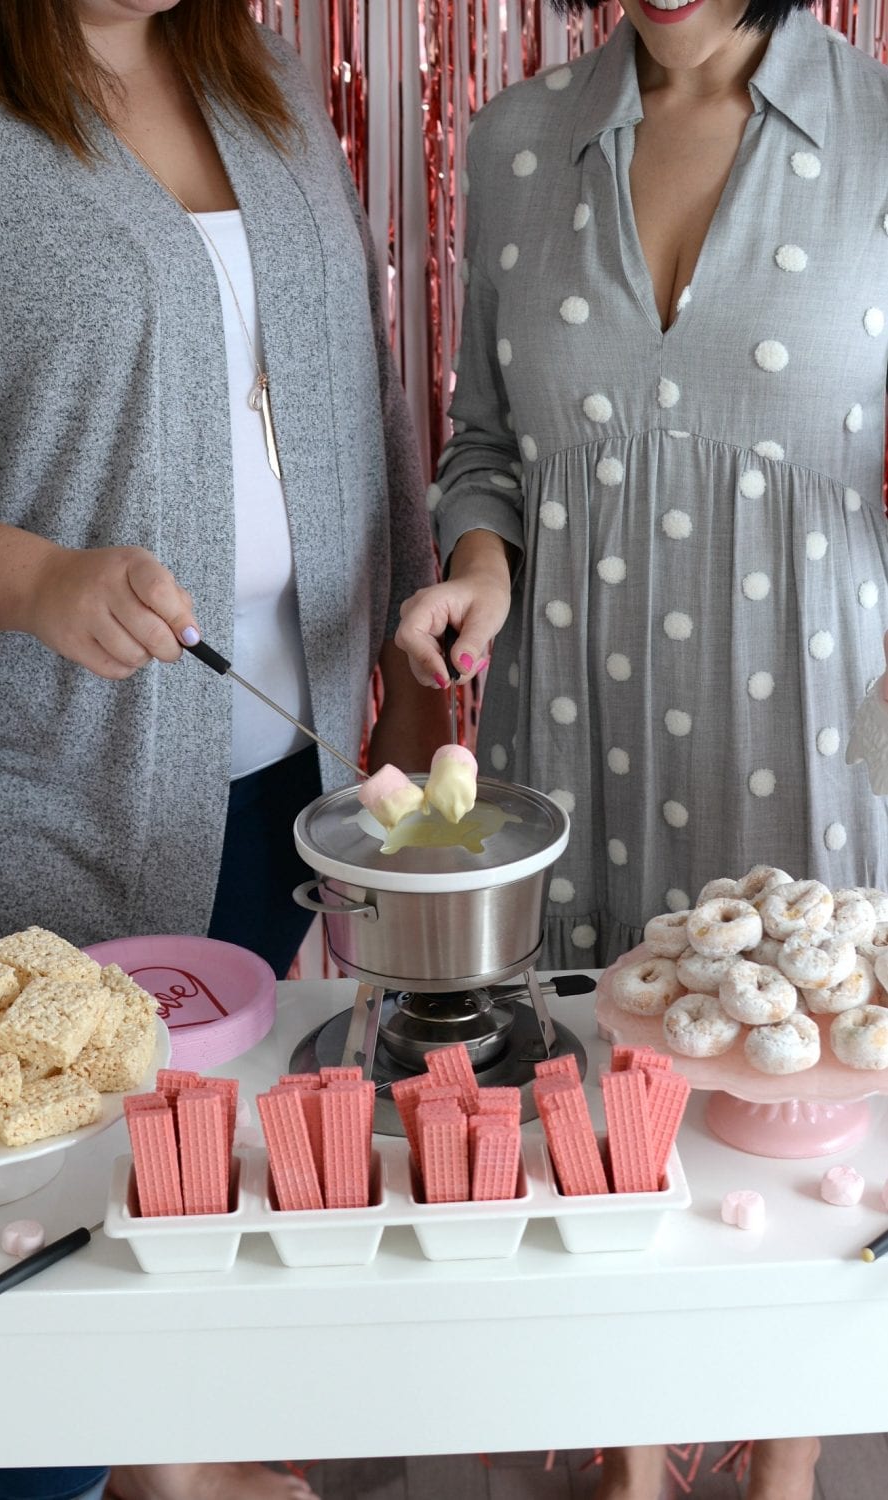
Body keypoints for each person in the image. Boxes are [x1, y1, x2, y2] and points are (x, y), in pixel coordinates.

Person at [0, 1, 445, 1498]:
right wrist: (38, 581)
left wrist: (395, 664)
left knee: (217, 1169)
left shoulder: (249, 71)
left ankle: (182, 1455)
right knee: (51, 1216)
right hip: (48, 776)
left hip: (286, 758)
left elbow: (358, 377)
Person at [394, 0, 888, 1494]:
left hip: (805, 711)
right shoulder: (517, 137)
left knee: (787, 1079)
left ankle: (782, 1458)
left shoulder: (875, 135)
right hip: (576, 709)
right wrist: (479, 573)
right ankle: (622, 1446)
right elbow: (485, 437)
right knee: (603, 1085)